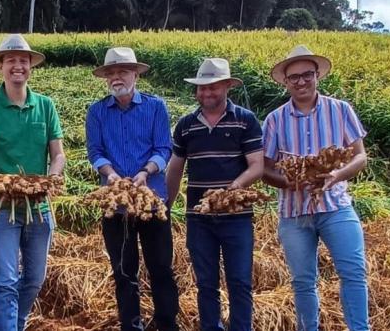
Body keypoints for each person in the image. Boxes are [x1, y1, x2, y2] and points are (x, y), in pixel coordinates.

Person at [262, 45, 369, 331]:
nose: (300, 82)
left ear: (317, 75)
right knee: (303, 281)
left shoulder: (340, 109)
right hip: (294, 212)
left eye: (306, 75)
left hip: (336, 206)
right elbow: (265, 168)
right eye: (293, 77)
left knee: (354, 273)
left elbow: (360, 155)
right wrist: (291, 182)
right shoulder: (275, 119)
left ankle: (360, 328)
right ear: (285, 82)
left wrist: (336, 174)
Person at [0, 34, 66, 331]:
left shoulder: (46, 106)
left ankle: (16, 322)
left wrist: (51, 180)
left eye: (23, 60)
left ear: (30, 66)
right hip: (0, 207)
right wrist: (1, 183)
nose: (17, 66)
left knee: (35, 278)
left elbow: (58, 154)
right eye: (10, 60)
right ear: (1, 66)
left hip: (38, 205)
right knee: (6, 281)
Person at [166, 58, 263, 331]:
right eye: (202, 88)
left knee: (240, 281)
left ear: (228, 87)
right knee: (206, 282)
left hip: (236, 215)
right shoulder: (186, 125)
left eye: (213, 88)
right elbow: (175, 169)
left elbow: (257, 165)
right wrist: (167, 206)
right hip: (199, 217)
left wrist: (235, 187)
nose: (206, 93)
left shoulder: (245, 120)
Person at [85, 47, 179, 331]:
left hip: (152, 201)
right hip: (116, 204)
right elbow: (95, 151)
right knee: (124, 270)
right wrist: (111, 174)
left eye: (123, 71)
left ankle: (166, 322)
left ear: (135, 75)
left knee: (161, 266)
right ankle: (131, 324)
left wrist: (145, 172)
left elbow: (164, 147)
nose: (116, 77)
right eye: (111, 73)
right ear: (105, 78)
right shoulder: (97, 111)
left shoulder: (155, 107)